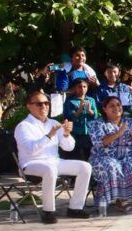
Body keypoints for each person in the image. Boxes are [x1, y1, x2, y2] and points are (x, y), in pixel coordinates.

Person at [15, 90, 92, 223]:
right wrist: (49, 135)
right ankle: (48, 211)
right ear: (29, 106)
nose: (44, 107)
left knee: (85, 167)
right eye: (39, 104)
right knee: (50, 169)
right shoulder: (23, 126)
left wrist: (67, 134)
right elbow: (31, 150)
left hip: (54, 161)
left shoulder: (53, 123)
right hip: (31, 163)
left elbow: (69, 147)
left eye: (46, 103)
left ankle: (75, 208)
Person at [89, 96, 132, 213]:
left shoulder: (130, 122)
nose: (116, 108)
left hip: (126, 157)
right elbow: (101, 142)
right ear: (104, 109)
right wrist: (119, 133)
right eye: (112, 106)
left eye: (118, 105)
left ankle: (125, 200)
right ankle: (119, 200)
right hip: (102, 158)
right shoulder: (98, 124)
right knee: (112, 165)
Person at [62, 78, 99, 161]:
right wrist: (80, 108)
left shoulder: (91, 100)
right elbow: (71, 117)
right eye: (79, 87)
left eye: (84, 86)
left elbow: (95, 116)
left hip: (89, 131)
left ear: (87, 87)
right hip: (77, 131)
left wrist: (89, 110)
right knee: (77, 153)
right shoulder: (71, 101)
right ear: (75, 88)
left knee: (89, 153)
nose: (82, 89)